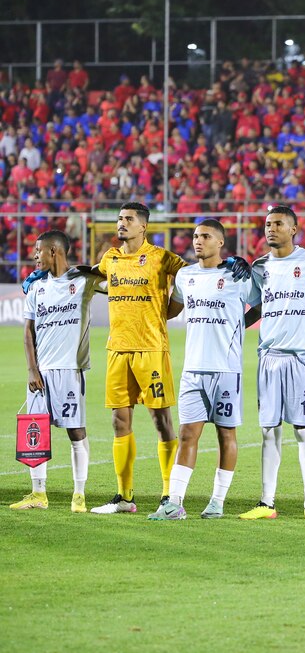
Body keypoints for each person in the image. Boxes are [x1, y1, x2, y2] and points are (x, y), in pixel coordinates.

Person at [89, 203, 248, 515]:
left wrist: (233, 262)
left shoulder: (164, 258)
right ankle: (124, 497)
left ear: (143, 226)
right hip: (117, 348)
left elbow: (199, 272)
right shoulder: (109, 258)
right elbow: (92, 278)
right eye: (120, 219)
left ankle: (168, 496)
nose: (122, 223)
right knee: (119, 420)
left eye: (128, 219)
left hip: (152, 348)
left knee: (163, 422)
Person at [147, 220, 254, 521]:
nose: (198, 241)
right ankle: (173, 502)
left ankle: (217, 501)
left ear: (220, 243)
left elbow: (257, 304)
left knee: (225, 434)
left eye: (206, 236)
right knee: (187, 434)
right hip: (192, 369)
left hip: (226, 369)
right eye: (195, 236)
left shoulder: (237, 276)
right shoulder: (185, 276)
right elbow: (173, 307)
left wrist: (241, 326)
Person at [240, 205, 305, 521]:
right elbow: (256, 306)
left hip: (299, 360)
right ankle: (267, 502)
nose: (271, 228)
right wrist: (234, 325)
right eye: (267, 224)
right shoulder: (259, 267)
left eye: (278, 223)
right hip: (268, 358)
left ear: (294, 229)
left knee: (304, 431)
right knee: (269, 432)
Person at [11, 231, 98, 512]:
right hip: (40, 373)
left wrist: (93, 269)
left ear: (53, 251)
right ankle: (38, 494)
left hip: (70, 370)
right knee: (34, 431)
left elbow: (114, 282)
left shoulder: (84, 282)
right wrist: (31, 369)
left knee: (76, 432)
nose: (35, 256)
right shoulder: (36, 287)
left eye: (38, 251)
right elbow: (28, 332)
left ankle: (79, 495)